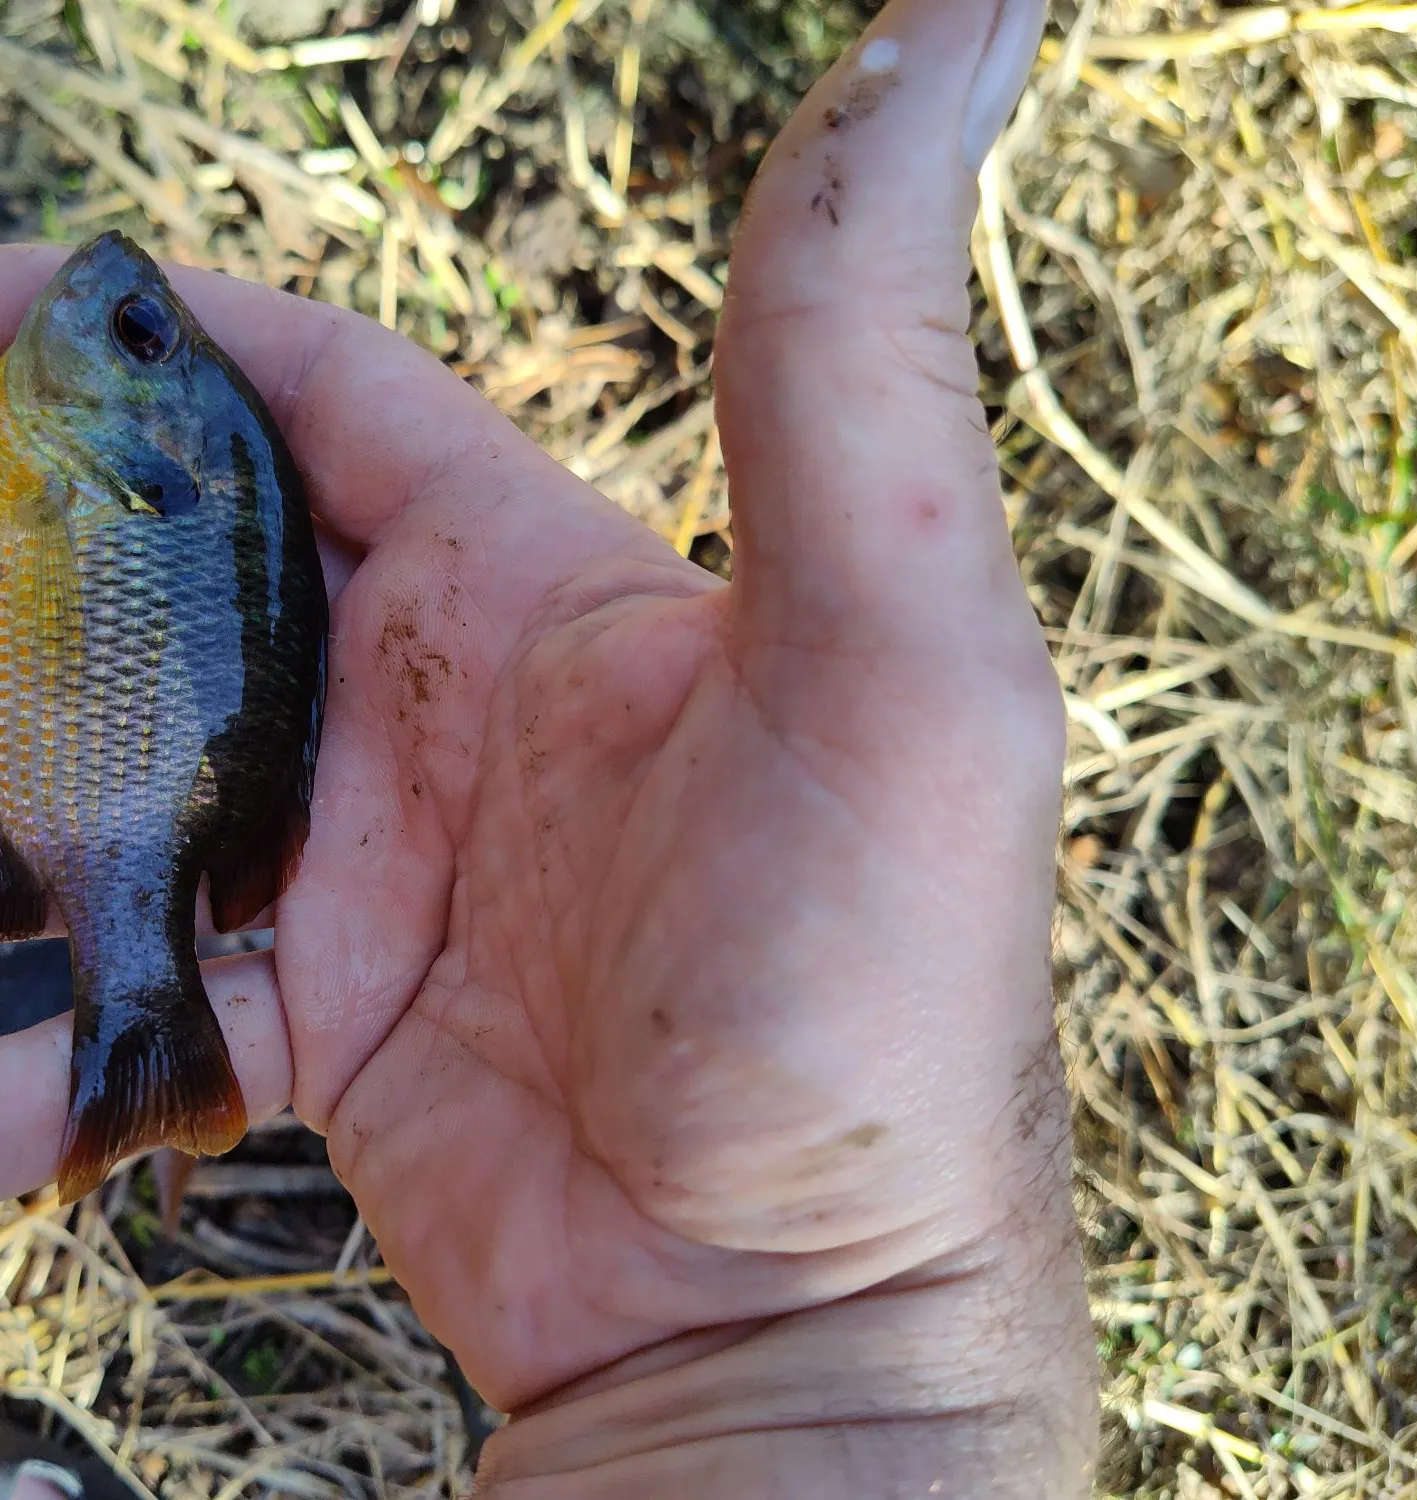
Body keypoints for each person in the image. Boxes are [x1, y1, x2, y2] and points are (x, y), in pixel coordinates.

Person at [0, 0, 1099, 1493]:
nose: (112, 306)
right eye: (146, 330)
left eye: (136, 337)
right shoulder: (113, 479)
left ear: (146, 447)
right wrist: (838, 1363)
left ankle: (121, 1011)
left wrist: (829, 1352)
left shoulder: (118, 478)